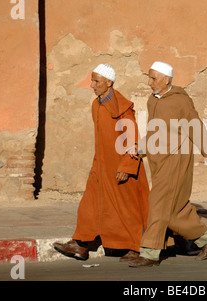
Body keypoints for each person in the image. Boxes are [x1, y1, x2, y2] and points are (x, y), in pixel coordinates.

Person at [128, 61, 207, 267]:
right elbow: (155, 131)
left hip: (175, 160)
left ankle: (149, 254)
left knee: (157, 205)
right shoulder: (152, 100)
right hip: (157, 161)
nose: (149, 82)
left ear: (166, 79)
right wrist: (141, 147)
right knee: (174, 212)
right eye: (149, 77)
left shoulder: (181, 101)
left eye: (154, 78)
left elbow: (196, 129)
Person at [53, 64, 149, 262]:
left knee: (127, 209)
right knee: (89, 204)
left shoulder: (123, 108)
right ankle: (80, 244)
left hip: (121, 167)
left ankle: (137, 247)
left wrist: (126, 167)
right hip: (100, 166)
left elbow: (133, 140)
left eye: (96, 81)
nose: (92, 85)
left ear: (109, 83)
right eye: (92, 80)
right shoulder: (96, 105)